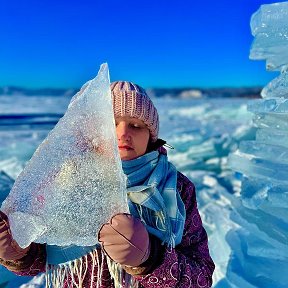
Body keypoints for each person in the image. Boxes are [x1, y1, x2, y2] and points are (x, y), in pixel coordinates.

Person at [0, 81, 215, 287]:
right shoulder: (65, 179)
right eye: (110, 123)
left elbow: (202, 277)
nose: (122, 134)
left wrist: (151, 259)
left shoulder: (178, 188)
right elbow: (42, 256)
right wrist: (18, 251)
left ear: (151, 135)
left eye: (136, 125)